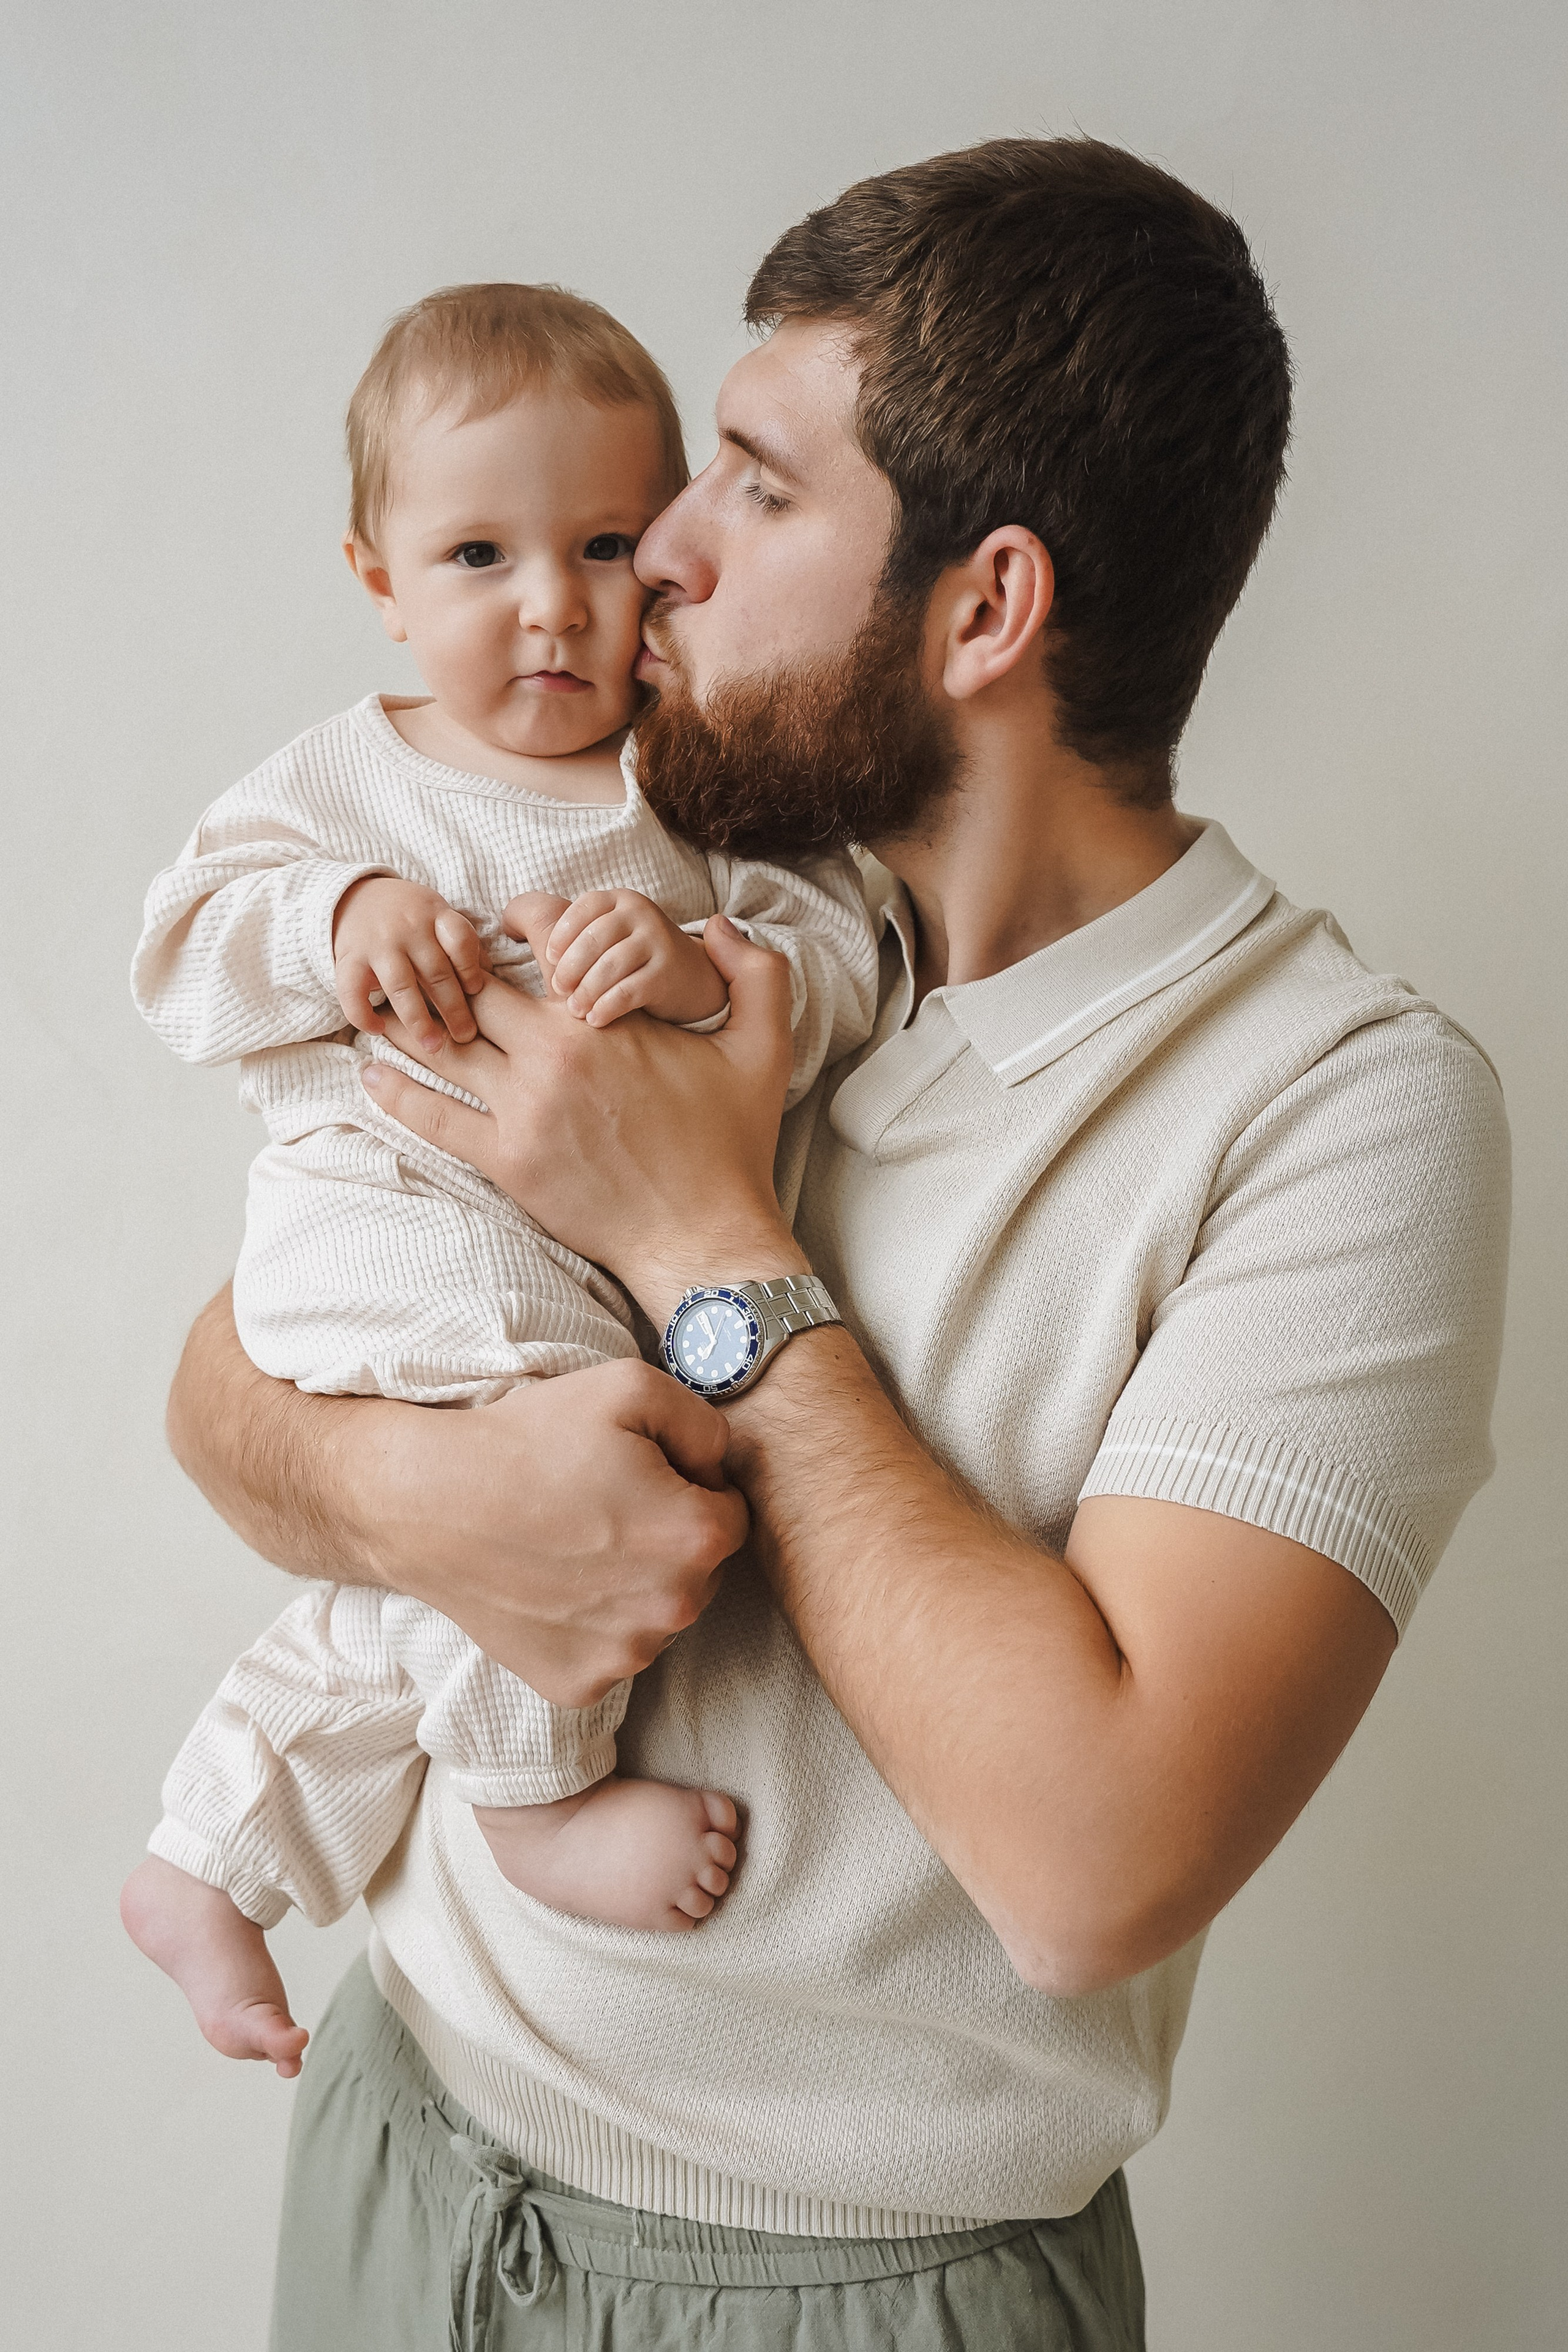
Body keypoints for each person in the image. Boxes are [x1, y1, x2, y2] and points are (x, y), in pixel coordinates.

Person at [158, 139, 1510, 2351]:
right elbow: (233, 1389)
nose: (653, 557)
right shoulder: (700, 914)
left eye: (757, 494)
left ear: (983, 610)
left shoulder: (1343, 1112)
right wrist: (436, 1493)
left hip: (846, 2295)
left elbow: (1094, 1868)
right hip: (406, 2152)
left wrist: (702, 1240)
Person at [118, 281, 880, 2070]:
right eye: (478, 554)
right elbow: (178, 955)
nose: (553, 605)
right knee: (571, 1456)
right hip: (372, 1225)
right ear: (379, 577)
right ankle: (530, 1795)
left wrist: (702, 968)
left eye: (607, 543)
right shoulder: (341, 782)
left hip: (537, 1260)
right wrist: (335, 913)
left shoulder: (681, 795)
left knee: (422, 1578)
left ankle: (206, 1848)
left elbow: (842, 961)